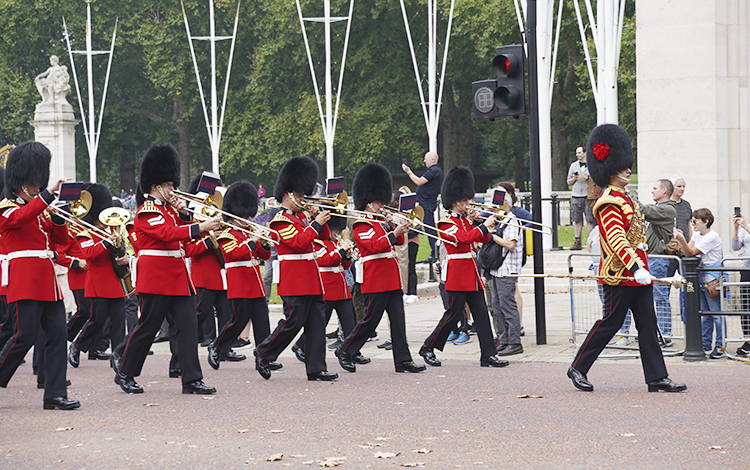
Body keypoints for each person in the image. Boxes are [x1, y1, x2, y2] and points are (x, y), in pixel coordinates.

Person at [567, 124, 686, 393]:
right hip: (620, 273)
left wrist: (641, 268)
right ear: (610, 169)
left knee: (647, 325)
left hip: (637, 273)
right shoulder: (609, 200)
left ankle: (657, 377)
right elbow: (617, 239)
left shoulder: (627, 199)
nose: (628, 170)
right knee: (610, 322)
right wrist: (635, 267)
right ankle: (578, 367)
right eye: (622, 167)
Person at [113, 143, 220, 395]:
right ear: (155, 186)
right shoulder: (146, 211)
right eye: (169, 185)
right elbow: (167, 234)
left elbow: (182, 238)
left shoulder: (170, 211)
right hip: (156, 277)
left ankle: (192, 379)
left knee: (188, 327)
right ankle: (126, 372)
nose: (173, 189)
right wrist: (201, 227)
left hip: (178, 277)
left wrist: (185, 215)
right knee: (148, 327)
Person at [0, 141, 79, 410]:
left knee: (58, 336)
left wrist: (59, 219)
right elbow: (20, 219)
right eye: (33, 184)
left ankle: (55, 394)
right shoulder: (7, 208)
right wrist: (46, 196)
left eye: (39, 183)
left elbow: (60, 243)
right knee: (24, 336)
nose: (37, 188)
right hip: (24, 281)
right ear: (20, 183)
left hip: (47, 282)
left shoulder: (40, 211)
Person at [335, 163, 426, 374]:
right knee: (369, 321)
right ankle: (346, 350)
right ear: (368, 202)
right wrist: (392, 233)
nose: (381, 205)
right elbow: (373, 246)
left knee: (398, 320)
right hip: (376, 278)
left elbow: (396, 242)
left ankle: (403, 360)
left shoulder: (380, 221)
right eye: (377, 202)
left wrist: (396, 227)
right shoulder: (361, 223)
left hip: (390, 277)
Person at [254, 156, 337, 381]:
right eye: (299, 195)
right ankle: (264, 352)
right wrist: (315, 222)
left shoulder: (301, 217)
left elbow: (325, 236)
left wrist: (316, 217)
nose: (303, 198)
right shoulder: (280, 220)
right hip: (294, 279)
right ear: (287, 194)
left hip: (311, 278)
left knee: (317, 323)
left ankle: (316, 367)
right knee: (293, 322)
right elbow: (299, 243)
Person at [418, 166, 507, 368]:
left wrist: (479, 222)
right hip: (458, 274)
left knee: (482, 314)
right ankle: (428, 347)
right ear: (455, 201)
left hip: (471, 273)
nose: (468, 203)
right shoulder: (444, 223)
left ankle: (488, 355)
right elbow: (462, 239)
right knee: (452, 316)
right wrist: (481, 226)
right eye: (465, 200)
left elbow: (483, 238)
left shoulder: (467, 221)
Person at [208, 181, 276, 370]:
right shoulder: (226, 234)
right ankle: (217, 346)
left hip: (255, 283)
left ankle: (265, 357)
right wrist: (254, 241)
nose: (247, 218)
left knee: (262, 321)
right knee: (237, 322)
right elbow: (234, 255)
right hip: (239, 283)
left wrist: (265, 242)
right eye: (244, 214)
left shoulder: (250, 232)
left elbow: (264, 256)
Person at [67, 184, 127, 367]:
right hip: (97, 281)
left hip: (114, 281)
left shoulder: (111, 231)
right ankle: (77, 346)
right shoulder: (85, 233)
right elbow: (90, 254)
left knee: (118, 322)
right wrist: (108, 243)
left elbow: (118, 254)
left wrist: (118, 244)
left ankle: (118, 357)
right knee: (97, 320)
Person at [185, 175, 232, 349]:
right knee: (201, 312)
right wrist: (208, 241)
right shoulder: (192, 220)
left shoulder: (218, 217)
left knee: (226, 313)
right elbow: (189, 250)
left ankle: (224, 348)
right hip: (203, 273)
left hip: (219, 272)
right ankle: (188, 339)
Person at [674, 208, 725, 359]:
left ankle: (721, 345)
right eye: (692, 221)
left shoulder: (712, 237)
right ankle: (706, 343)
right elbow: (687, 251)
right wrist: (682, 241)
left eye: (695, 221)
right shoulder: (697, 233)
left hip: (713, 278)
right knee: (705, 314)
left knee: (716, 314)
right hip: (702, 278)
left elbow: (691, 252)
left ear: (706, 222)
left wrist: (681, 239)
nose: (693, 224)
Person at [639, 179, 678, 343]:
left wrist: (625, 194)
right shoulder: (657, 208)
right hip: (648, 258)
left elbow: (642, 209)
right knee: (644, 299)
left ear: (664, 191)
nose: (652, 191)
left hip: (658, 259)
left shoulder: (668, 209)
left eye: (655, 188)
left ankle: (665, 335)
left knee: (660, 298)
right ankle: (653, 334)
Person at [489, 196, 525, 356]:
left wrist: (492, 236)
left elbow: (510, 244)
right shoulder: (501, 220)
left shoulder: (512, 221)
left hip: (507, 269)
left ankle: (514, 342)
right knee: (497, 307)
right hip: (497, 269)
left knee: (507, 306)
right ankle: (504, 341)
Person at [402, 152, 443, 260]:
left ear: (433, 160)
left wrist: (408, 171)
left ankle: (435, 253)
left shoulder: (433, 170)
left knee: (430, 229)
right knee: (429, 228)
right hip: (426, 203)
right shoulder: (435, 171)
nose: (424, 161)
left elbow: (419, 181)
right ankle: (435, 252)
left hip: (427, 203)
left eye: (426, 159)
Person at [567, 146, 595, 250]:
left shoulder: (591, 166)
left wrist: (586, 177)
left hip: (588, 196)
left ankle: (591, 241)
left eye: (579, 153)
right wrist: (573, 178)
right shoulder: (573, 166)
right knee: (576, 219)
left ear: (585, 153)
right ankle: (577, 241)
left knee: (589, 219)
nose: (577, 155)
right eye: (576, 153)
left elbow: (596, 180)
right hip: (576, 196)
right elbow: (568, 181)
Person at [731, 210, 750, 356]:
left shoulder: (747, 227)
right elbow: (735, 247)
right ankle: (748, 340)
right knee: (745, 306)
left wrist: (746, 227)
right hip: (746, 269)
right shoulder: (745, 227)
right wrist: (737, 228)